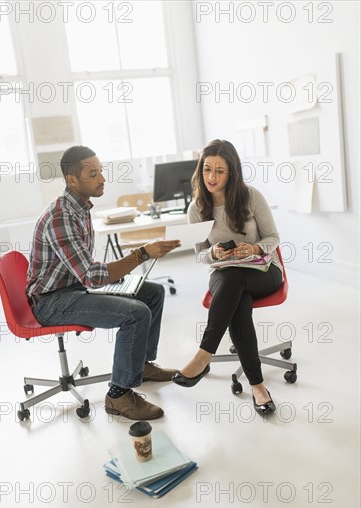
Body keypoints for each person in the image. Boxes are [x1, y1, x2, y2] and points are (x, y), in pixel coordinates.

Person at [26, 145, 181, 421]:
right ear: (72, 180)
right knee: (136, 313)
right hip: (51, 302)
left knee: (152, 292)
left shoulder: (81, 208)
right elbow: (93, 276)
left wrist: (122, 273)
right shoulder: (61, 217)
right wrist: (142, 253)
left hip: (73, 288)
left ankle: (142, 365)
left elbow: (87, 272)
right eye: (92, 173)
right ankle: (118, 395)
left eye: (101, 171)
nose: (102, 178)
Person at [172, 139, 283, 414]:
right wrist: (214, 254)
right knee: (238, 303)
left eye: (219, 171)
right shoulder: (196, 208)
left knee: (237, 282)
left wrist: (255, 247)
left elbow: (273, 237)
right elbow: (199, 254)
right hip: (224, 273)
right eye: (207, 169)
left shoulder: (251, 197)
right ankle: (258, 387)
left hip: (263, 271)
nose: (211, 176)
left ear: (232, 172)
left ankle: (203, 354)